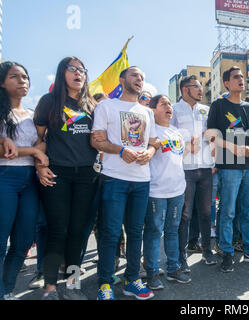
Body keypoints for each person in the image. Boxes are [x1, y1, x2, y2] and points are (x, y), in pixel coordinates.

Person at [34, 57, 98, 300]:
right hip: (57, 174)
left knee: (79, 231)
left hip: (87, 175)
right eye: (72, 69)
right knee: (57, 230)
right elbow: (39, 140)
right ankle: (50, 288)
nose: (78, 73)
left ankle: (72, 285)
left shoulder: (91, 104)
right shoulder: (48, 102)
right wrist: (40, 165)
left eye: (82, 70)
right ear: (62, 73)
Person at [91, 66, 157, 301]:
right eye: (134, 75)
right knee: (110, 234)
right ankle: (105, 284)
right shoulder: (106, 106)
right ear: (122, 80)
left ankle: (132, 280)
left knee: (136, 233)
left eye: (142, 77)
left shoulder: (147, 112)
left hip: (141, 180)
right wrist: (120, 150)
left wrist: (149, 152)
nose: (139, 79)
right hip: (113, 178)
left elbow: (152, 142)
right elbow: (96, 140)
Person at [206, 66, 249, 273]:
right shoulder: (217, 105)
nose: (240, 80)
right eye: (236, 77)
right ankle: (226, 251)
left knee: (247, 212)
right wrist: (234, 148)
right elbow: (211, 136)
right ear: (227, 83)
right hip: (228, 168)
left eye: (242, 77)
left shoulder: (248, 108)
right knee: (227, 212)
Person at [0, 62, 47, 300]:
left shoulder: (33, 115)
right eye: (15, 76)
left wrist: (34, 151)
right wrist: (33, 152)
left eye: (25, 77)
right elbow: (5, 153)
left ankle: (7, 290)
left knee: (23, 240)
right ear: (1, 82)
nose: (22, 81)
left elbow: (42, 144)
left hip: (30, 181)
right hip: (4, 178)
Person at [143, 95, 191, 291]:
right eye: (163, 104)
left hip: (178, 190)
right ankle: (152, 272)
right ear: (153, 110)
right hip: (156, 190)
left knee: (172, 230)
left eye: (170, 104)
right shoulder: (149, 130)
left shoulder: (176, 132)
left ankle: (173, 268)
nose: (168, 107)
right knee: (154, 231)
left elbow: (179, 156)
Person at [171, 76, 216, 274]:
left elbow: (213, 135)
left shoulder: (206, 109)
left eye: (200, 86)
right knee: (186, 215)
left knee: (206, 213)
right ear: (184, 89)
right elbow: (169, 138)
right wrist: (187, 146)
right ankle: (182, 256)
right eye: (196, 86)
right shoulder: (173, 109)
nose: (200, 90)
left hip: (206, 169)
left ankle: (207, 249)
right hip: (185, 169)